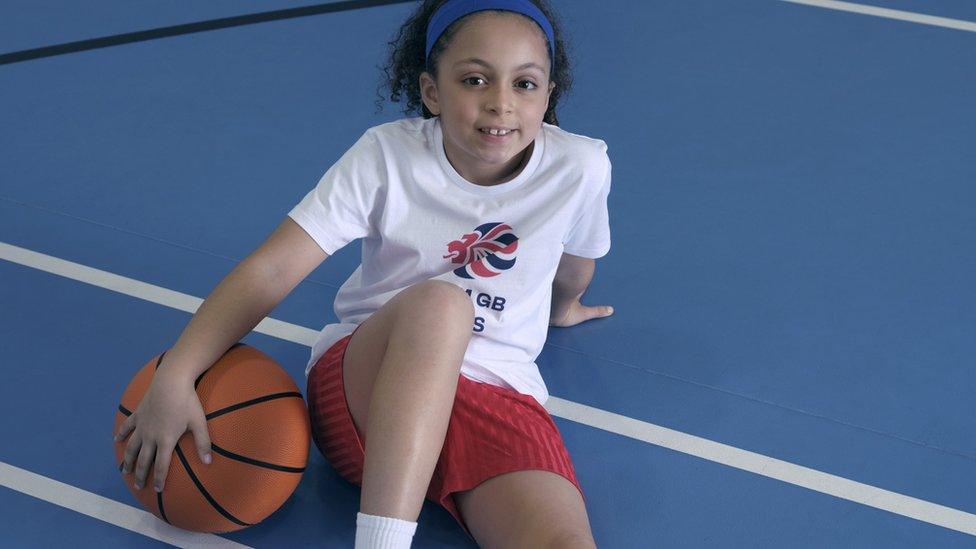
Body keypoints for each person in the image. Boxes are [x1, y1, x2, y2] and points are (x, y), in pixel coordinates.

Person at [114, 0, 614, 547]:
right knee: (442, 304)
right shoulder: (386, 157)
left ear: (548, 95)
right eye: (475, 80)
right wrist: (177, 372)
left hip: (495, 394)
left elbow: (575, 260)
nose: (500, 104)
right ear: (431, 92)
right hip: (364, 389)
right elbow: (274, 267)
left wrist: (564, 308)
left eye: (525, 84)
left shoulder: (580, 166)